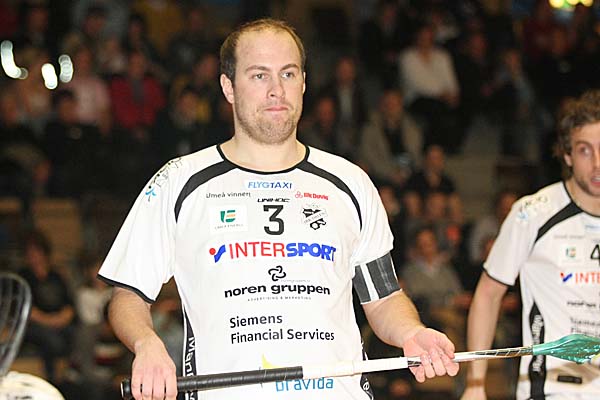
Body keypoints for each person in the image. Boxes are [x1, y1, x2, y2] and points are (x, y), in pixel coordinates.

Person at [98, 18, 459, 400]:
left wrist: (412, 332)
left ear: (303, 83)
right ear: (228, 87)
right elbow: (127, 294)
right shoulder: (179, 182)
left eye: (288, 73)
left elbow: (383, 298)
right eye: (259, 75)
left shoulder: (349, 182)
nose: (276, 90)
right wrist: (146, 343)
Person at [461, 89, 600, 400]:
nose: (597, 163)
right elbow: (488, 294)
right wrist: (475, 384)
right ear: (567, 155)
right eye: (584, 150)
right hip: (552, 388)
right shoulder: (533, 213)